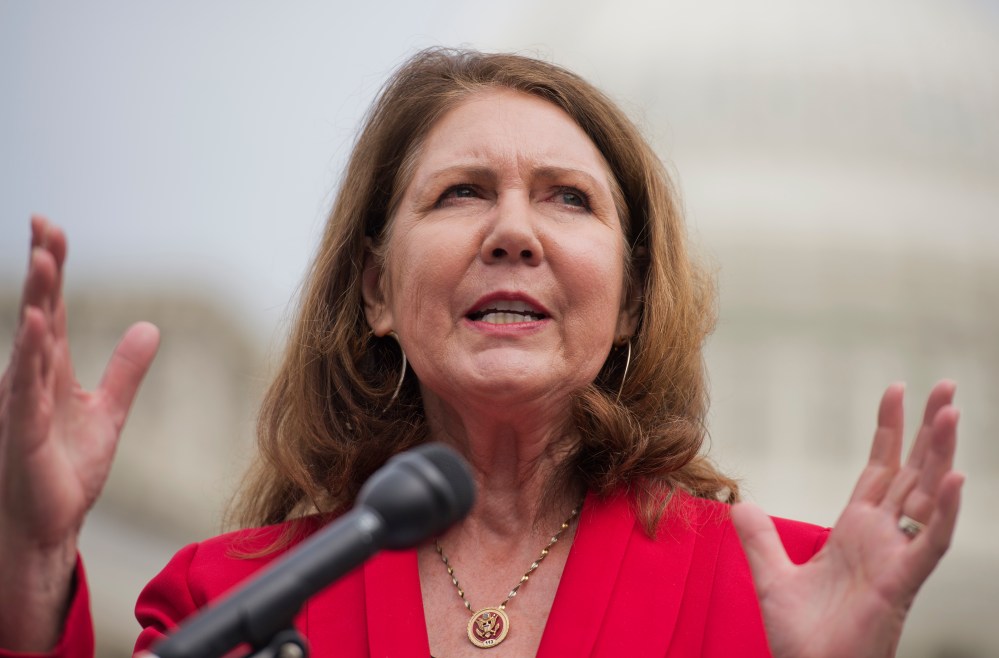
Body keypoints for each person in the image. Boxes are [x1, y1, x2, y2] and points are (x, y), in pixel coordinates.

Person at [0, 48, 962, 658]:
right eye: (460, 192)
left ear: (631, 300)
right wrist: (32, 559)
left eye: (566, 198)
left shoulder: (788, 592)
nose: (512, 233)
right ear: (376, 290)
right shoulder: (226, 600)